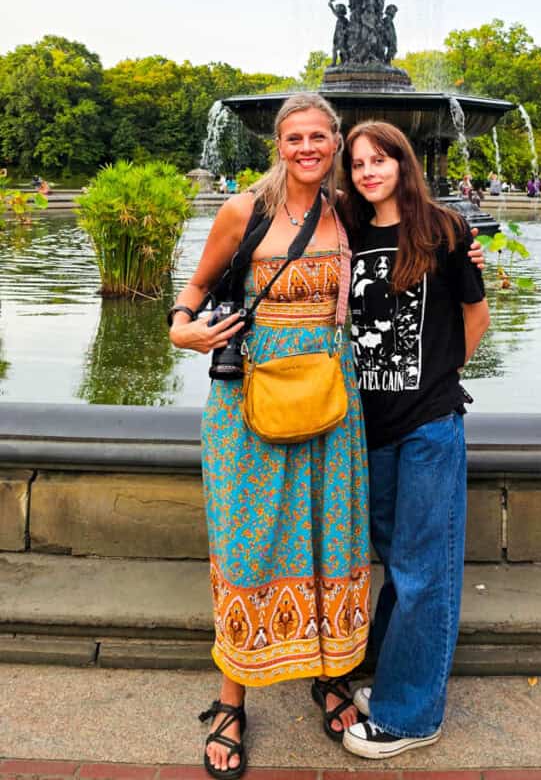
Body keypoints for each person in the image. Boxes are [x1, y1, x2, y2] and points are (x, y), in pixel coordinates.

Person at [168, 94, 371, 778]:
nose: (307, 147)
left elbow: (415, 243)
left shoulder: (349, 212)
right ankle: (231, 701)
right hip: (248, 402)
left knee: (329, 535)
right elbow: (191, 291)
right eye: (294, 137)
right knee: (250, 541)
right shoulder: (244, 211)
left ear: (335, 141)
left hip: (331, 400)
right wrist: (181, 328)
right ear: (277, 146)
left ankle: (332, 673)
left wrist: (470, 261)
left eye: (319, 136)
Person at [339, 121, 490, 760]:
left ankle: (411, 715)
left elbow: (474, 315)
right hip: (365, 429)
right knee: (398, 563)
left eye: (381, 158)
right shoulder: (342, 232)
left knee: (423, 569)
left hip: (429, 426)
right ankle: (404, 683)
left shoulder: (444, 230)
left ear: (404, 162)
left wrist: (437, 382)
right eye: (358, 162)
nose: (369, 170)